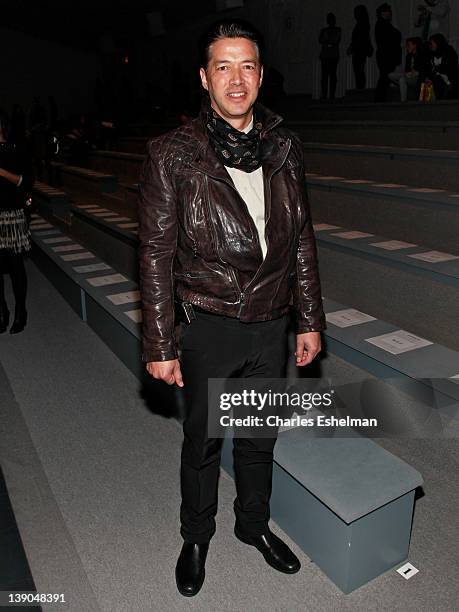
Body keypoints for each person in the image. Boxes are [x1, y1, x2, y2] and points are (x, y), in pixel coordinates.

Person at [138, 18, 325, 597]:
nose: (236, 78)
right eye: (223, 66)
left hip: (271, 322)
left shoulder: (285, 146)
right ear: (204, 77)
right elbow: (155, 254)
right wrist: (161, 343)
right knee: (204, 441)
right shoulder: (172, 155)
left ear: (261, 75)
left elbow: (301, 237)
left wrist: (310, 317)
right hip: (209, 323)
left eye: (247, 65)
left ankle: (253, 525)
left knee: (257, 435)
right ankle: (196, 537)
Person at [0, 109, 33, 334]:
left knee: (15, 266)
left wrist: (2, 172)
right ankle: (2, 312)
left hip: (12, 216)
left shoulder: (16, 150)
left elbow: (26, 182)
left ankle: (21, 311)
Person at [374, 3, 402, 102]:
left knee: (385, 77)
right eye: (389, 12)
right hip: (386, 57)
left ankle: (380, 99)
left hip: (385, 56)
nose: (390, 14)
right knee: (385, 77)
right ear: (383, 13)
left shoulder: (382, 24)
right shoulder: (382, 25)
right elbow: (391, 40)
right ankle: (379, 99)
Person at [389, 37, 426, 101]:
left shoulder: (422, 55)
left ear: (415, 45)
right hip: (409, 76)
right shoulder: (408, 56)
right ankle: (403, 100)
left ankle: (403, 86)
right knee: (395, 77)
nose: (407, 47)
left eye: (408, 45)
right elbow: (407, 69)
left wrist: (416, 73)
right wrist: (408, 73)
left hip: (418, 78)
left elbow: (425, 70)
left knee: (400, 78)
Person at [425, 33, 459, 99]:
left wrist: (437, 69)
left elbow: (451, 67)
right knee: (430, 80)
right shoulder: (431, 53)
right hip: (436, 77)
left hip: (449, 77)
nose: (431, 46)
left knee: (439, 81)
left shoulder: (449, 50)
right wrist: (429, 77)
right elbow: (429, 67)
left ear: (438, 43)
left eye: (432, 43)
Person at [347, 5, 373, 90]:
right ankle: (360, 88)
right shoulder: (363, 24)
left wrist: (353, 46)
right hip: (360, 51)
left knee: (359, 71)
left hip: (360, 51)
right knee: (359, 71)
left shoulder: (362, 24)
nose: (355, 14)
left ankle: (360, 89)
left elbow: (360, 39)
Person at [319, 13, 342, 100]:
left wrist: (327, 39)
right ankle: (324, 95)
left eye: (332, 19)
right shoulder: (324, 30)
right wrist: (328, 40)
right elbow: (321, 40)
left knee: (332, 76)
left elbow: (336, 40)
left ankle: (332, 95)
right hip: (325, 56)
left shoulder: (338, 30)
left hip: (333, 56)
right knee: (324, 76)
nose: (331, 21)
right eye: (330, 19)